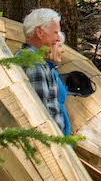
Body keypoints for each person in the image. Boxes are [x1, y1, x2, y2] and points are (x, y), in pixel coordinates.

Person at [21, 8, 72, 136]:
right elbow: (41, 118)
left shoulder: (35, 61)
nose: (57, 39)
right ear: (39, 32)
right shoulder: (34, 65)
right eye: (55, 33)